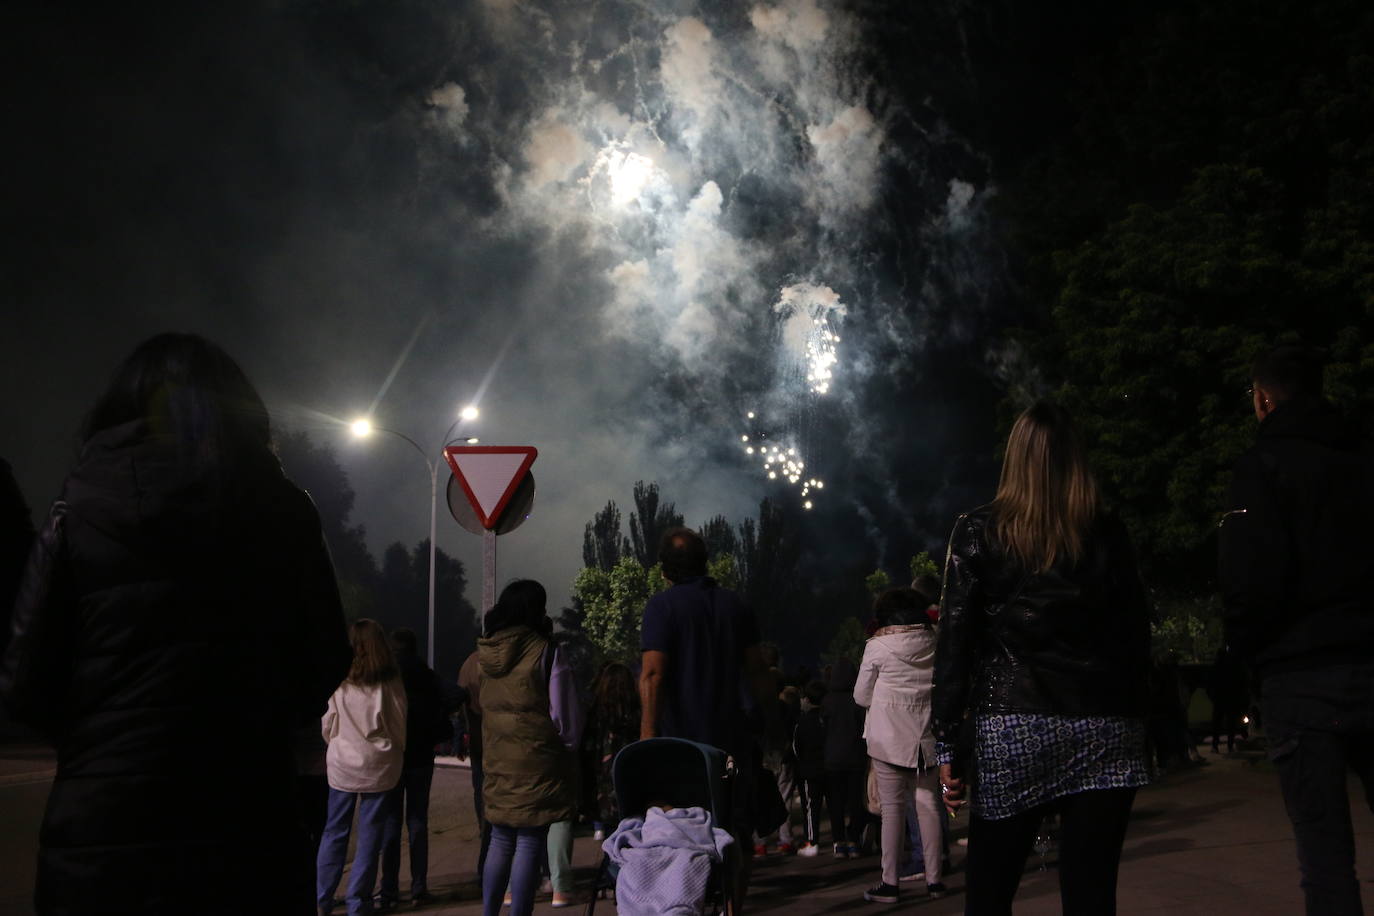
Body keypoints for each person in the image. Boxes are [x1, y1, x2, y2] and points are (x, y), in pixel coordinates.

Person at [0, 333, 352, 916]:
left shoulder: (78, 509)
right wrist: (253, 726)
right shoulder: (286, 510)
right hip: (248, 816)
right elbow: (322, 659)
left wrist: (98, 743)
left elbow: (22, 679)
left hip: (103, 831)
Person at [933, 401, 1152, 915]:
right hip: (1106, 723)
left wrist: (947, 744)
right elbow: (1136, 635)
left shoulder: (978, 530)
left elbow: (955, 644)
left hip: (1015, 721)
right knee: (1092, 893)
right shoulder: (1106, 531)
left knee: (989, 892)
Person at [1219, 345, 1374, 915]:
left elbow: (1252, 581)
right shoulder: (1361, 460)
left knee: (1326, 857)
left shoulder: (1260, 468)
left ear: (1262, 398)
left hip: (1301, 673)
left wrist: (1246, 655)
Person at [639, 526, 771, 907]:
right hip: (733, 741)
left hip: (680, 747)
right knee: (736, 833)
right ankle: (732, 909)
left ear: (664, 570)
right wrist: (773, 725)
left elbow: (653, 674)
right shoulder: (736, 605)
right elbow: (758, 671)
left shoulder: (661, 608)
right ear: (705, 563)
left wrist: (647, 739)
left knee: (680, 835)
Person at [479, 579, 578, 916]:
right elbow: (564, 717)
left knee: (499, 838)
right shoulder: (547, 651)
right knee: (529, 841)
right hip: (537, 761)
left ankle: (489, 912)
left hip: (497, 759)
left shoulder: (485, 652)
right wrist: (568, 747)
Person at [854, 587, 945, 904]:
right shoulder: (933, 643)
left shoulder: (877, 647)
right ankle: (935, 880)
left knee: (892, 812)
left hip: (887, 740)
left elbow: (861, 696)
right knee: (929, 807)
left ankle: (890, 883)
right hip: (925, 738)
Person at [318, 619, 408, 916]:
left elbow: (328, 722)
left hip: (343, 763)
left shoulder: (340, 678)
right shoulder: (389, 679)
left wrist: (336, 742)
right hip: (378, 765)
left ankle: (322, 898)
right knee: (370, 836)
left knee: (334, 831)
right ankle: (359, 901)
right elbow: (397, 725)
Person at [377, 627, 464, 910]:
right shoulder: (425, 674)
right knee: (417, 822)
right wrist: (436, 716)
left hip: (393, 756)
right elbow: (457, 694)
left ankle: (388, 889)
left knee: (390, 823)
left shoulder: (386, 675)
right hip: (421, 757)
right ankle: (418, 887)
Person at [580, 662, 640, 840]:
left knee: (610, 836)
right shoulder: (636, 715)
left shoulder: (595, 714)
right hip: (629, 787)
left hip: (601, 786)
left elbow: (587, 750)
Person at [821, 657, 867, 859]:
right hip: (855, 757)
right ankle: (854, 839)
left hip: (832, 759)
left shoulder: (827, 701)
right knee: (856, 801)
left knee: (836, 803)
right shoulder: (858, 700)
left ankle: (838, 841)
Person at [456, 646, 491, 885]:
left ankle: (485, 855)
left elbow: (459, 702)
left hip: (478, 739)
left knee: (481, 795)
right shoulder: (504, 660)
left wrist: (460, 737)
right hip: (500, 739)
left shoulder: (469, 662)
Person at [791, 680, 828, 856]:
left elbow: (796, 748)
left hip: (808, 770)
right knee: (836, 804)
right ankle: (841, 840)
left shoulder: (802, 722)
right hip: (828, 767)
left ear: (807, 699)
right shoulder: (826, 719)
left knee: (811, 807)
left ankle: (812, 842)